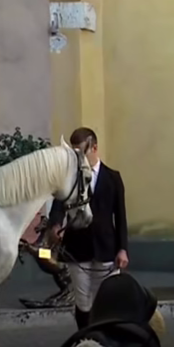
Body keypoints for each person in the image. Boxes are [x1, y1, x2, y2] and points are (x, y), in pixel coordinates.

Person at [55, 127, 129, 330]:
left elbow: (121, 217)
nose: (77, 157)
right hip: (77, 249)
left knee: (106, 301)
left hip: (107, 249)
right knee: (83, 302)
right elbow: (59, 206)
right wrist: (54, 225)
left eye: (81, 151)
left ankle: (106, 342)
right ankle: (85, 339)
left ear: (94, 147)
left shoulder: (113, 177)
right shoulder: (70, 177)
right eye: (74, 152)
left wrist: (123, 249)